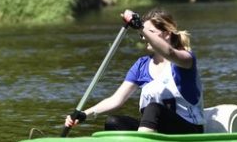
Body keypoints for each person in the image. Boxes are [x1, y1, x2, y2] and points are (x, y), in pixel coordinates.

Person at [65, 8, 205, 134]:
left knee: (153, 108)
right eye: (142, 34)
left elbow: (169, 52)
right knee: (113, 122)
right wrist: (84, 114)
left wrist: (140, 27)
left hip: (188, 132)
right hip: (158, 132)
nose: (144, 37)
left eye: (149, 33)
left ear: (167, 34)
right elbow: (116, 100)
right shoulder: (141, 65)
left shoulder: (185, 60)